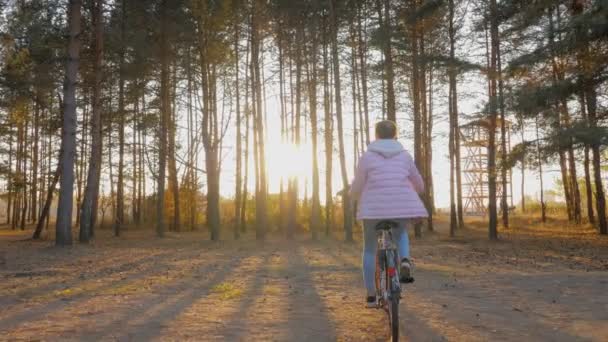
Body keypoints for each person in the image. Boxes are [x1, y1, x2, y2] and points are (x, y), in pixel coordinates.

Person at [350, 120, 428, 308]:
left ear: (376, 135)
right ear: (395, 135)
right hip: (399, 205)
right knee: (400, 233)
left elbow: (358, 184)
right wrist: (417, 190)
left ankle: (370, 296)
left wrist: (352, 195)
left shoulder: (367, 157)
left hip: (373, 209)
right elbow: (419, 184)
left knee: (369, 248)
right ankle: (405, 261)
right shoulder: (405, 156)